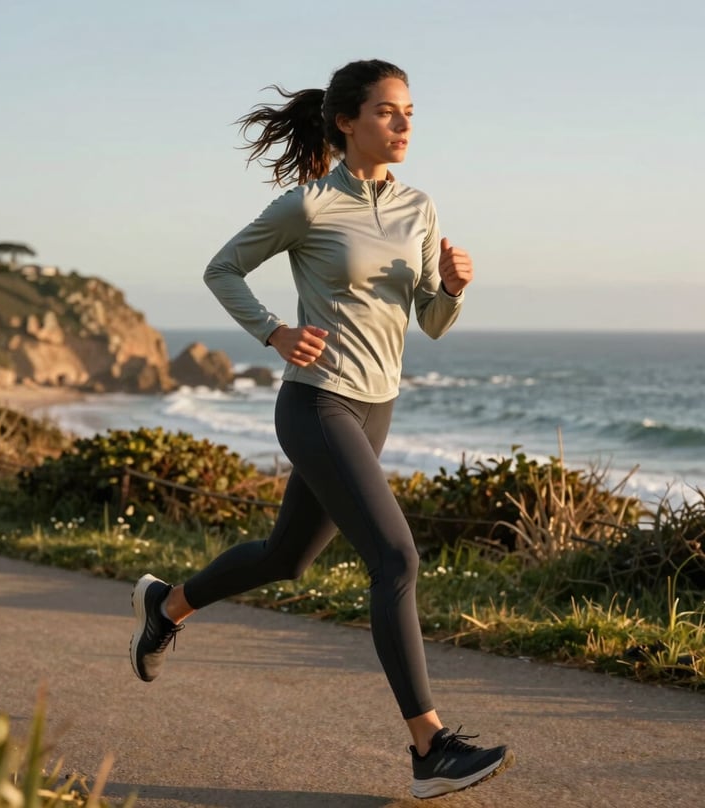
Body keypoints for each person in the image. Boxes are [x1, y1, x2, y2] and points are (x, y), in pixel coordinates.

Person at [130, 58, 513, 799]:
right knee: (396, 559)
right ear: (346, 122)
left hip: (376, 406)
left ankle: (166, 606)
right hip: (316, 404)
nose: (403, 125)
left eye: (409, 113)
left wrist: (456, 289)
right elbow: (223, 269)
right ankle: (430, 748)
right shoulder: (307, 206)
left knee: (287, 558)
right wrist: (274, 332)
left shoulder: (420, 208)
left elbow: (428, 323)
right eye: (387, 112)